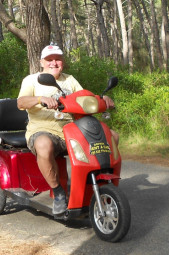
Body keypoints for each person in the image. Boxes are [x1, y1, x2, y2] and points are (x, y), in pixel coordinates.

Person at [17, 44, 116, 215]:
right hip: (43, 130)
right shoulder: (32, 80)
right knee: (43, 145)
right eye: (49, 59)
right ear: (41, 62)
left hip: (72, 131)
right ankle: (59, 193)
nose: (54, 63)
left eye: (58, 59)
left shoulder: (70, 79)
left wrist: (102, 98)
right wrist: (40, 99)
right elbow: (21, 102)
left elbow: (85, 97)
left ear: (63, 62)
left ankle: (98, 184)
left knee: (112, 136)